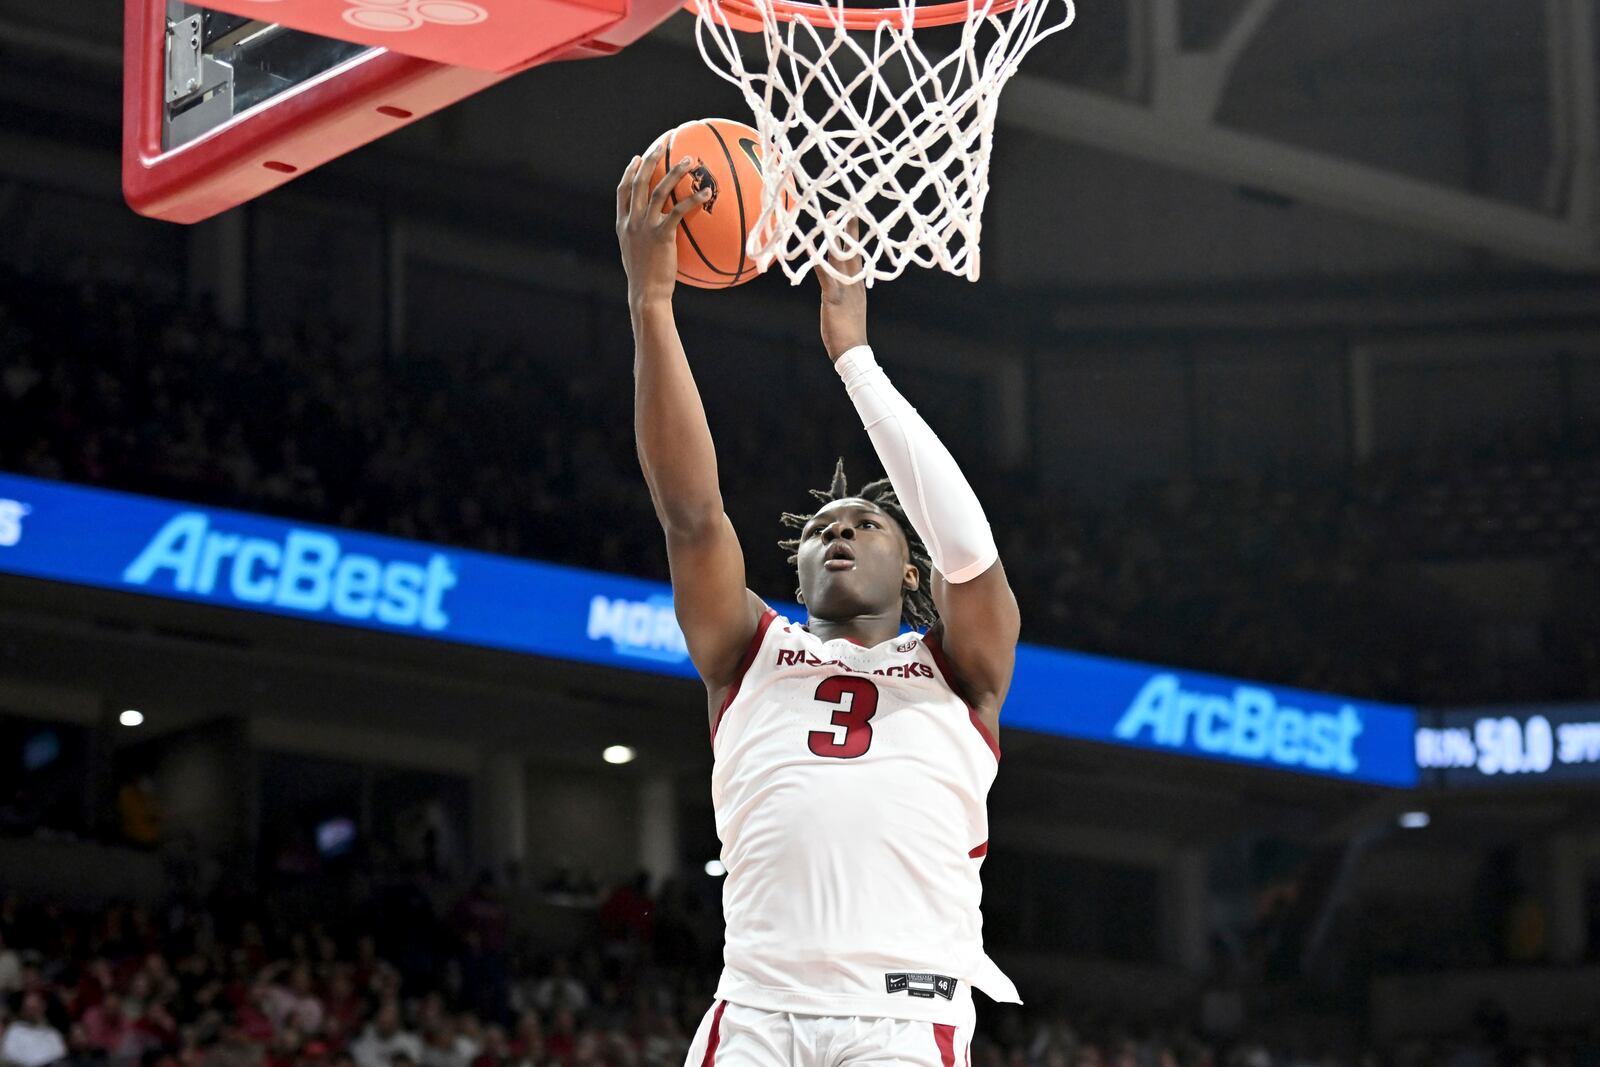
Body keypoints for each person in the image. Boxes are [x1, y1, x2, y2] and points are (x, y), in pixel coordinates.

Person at [617, 142, 1022, 1067]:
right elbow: (689, 514)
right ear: (794, 578)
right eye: (820, 531)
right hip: (757, 1007)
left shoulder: (962, 668)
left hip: (903, 1016)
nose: (838, 533)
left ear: (911, 575)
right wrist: (651, 304)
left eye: (867, 525)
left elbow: (970, 548)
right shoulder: (747, 649)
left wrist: (856, 359)